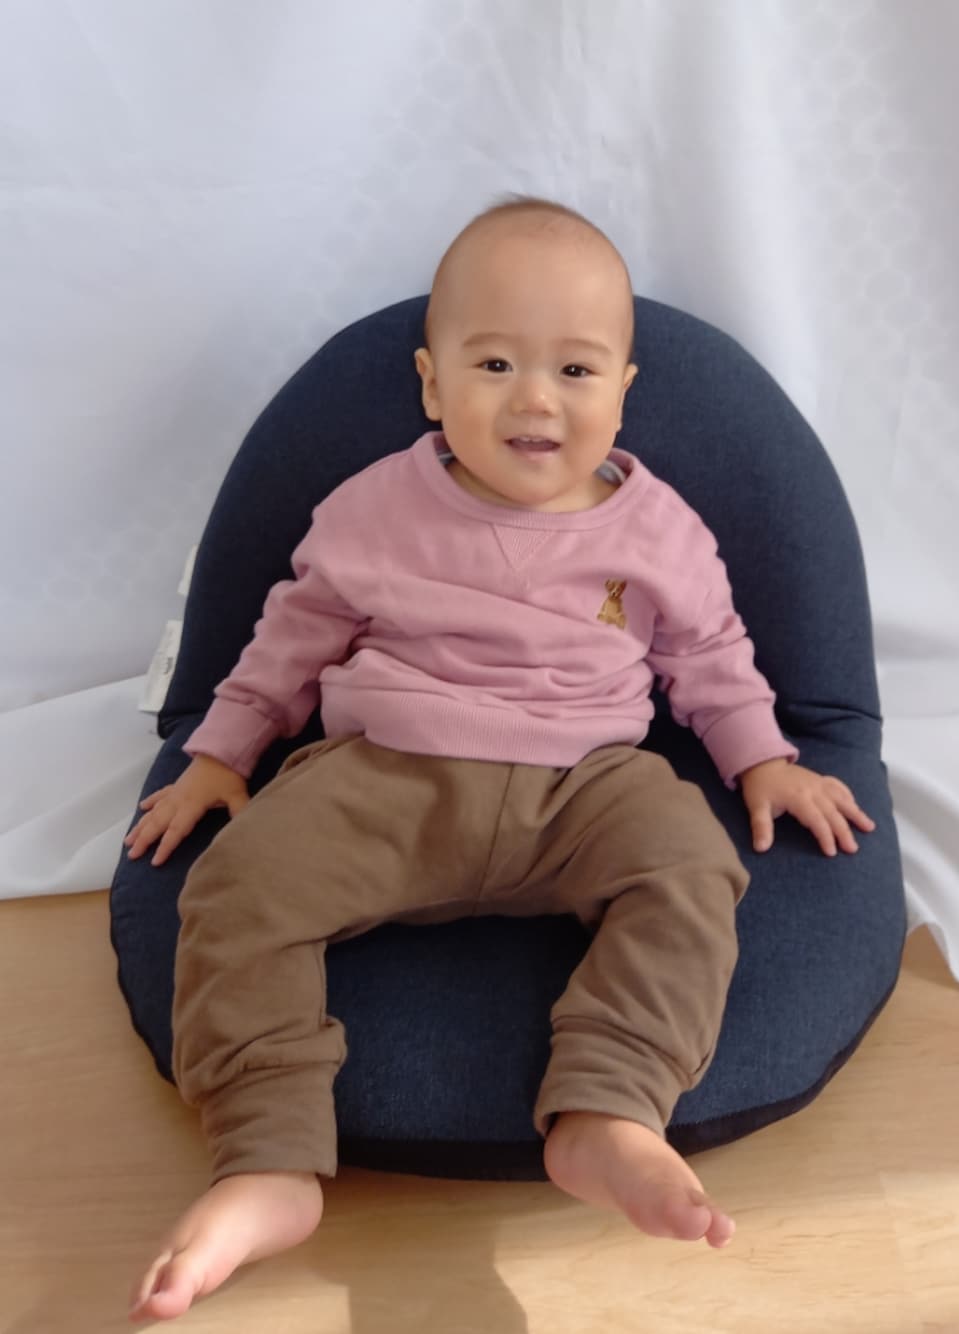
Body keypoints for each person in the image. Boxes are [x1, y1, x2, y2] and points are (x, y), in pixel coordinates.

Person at [124, 197, 874, 1322]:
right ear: (432, 385)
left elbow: (710, 655)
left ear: (622, 389)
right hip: (388, 776)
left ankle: (611, 1106)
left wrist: (762, 757)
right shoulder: (374, 507)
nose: (534, 398)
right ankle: (266, 1156)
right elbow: (289, 638)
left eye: (574, 370)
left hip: (584, 786)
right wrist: (220, 753)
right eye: (494, 364)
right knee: (237, 885)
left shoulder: (658, 527)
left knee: (690, 860)